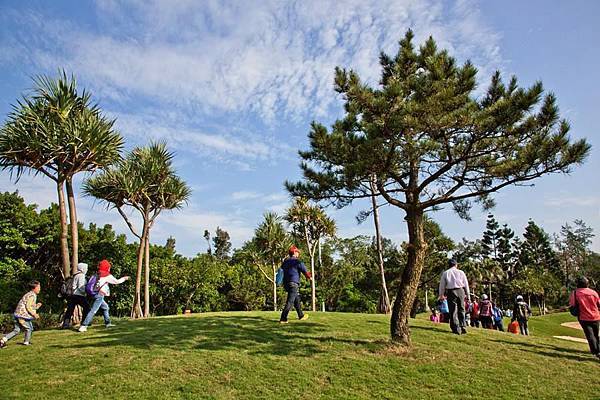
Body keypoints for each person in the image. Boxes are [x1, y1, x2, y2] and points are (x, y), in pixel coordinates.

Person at [78, 260, 129, 332]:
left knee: (105, 307)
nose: (109, 268)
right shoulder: (107, 275)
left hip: (94, 293)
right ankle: (84, 326)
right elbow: (117, 282)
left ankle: (108, 323)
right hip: (100, 295)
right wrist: (124, 278)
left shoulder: (96, 274)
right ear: (107, 267)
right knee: (93, 310)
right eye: (109, 267)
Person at [1, 281, 42, 348]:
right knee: (29, 328)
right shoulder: (32, 295)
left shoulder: (29, 294)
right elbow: (28, 307)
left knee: (16, 330)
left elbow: (30, 306)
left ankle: (2, 341)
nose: (40, 289)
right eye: (39, 287)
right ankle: (26, 342)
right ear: (34, 288)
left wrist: (37, 306)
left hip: (18, 315)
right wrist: (34, 314)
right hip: (22, 316)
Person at [569, 276, 600, 359]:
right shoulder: (593, 292)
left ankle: (596, 352)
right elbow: (598, 304)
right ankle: (598, 350)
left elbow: (572, 305)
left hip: (584, 317)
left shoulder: (575, 293)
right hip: (596, 317)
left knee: (590, 335)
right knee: (596, 335)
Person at [279, 245, 311, 324]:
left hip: (286, 283)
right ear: (294, 252)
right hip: (294, 283)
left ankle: (301, 315)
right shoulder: (297, 261)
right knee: (290, 301)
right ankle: (283, 318)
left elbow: (281, 271)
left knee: (296, 299)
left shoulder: (285, 262)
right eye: (297, 252)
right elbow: (305, 271)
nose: (298, 254)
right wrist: (310, 277)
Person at [438, 259, 471, 335]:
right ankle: (463, 326)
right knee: (461, 309)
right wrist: (468, 295)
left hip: (451, 291)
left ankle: (455, 328)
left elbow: (442, 286)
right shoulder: (461, 272)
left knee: (452, 310)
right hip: (460, 290)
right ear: (456, 265)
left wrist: (441, 295)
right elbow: (466, 284)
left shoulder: (446, 273)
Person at [62, 262, 91, 329]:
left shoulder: (76, 275)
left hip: (73, 295)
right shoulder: (81, 276)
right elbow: (81, 286)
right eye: (86, 268)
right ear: (83, 269)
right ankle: (84, 322)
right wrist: (86, 292)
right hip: (79, 295)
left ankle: (65, 324)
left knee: (70, 310)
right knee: (87, 307)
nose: (86, 270)